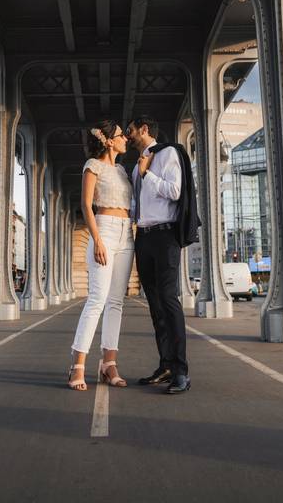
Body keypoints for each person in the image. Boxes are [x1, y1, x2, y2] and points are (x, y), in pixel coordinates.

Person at [127, 115, 196, 395]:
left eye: (130, 130)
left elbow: (175, 191)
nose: (129, 135)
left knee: (168, 300)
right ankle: (165, 364)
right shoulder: (135, 167)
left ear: (144, 129)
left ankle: (181, 371)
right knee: (155, 305)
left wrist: (148, 174)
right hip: (143, 238)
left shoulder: (168, 153)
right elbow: (135, 206)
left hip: (166, 236)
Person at [67, 120, 133, 391]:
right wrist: (96, 240)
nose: (125, 139)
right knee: (97, 299)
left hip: (126, 234)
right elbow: (86, 204)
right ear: (108, 141)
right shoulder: (92, 166)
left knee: (116, 302)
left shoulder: (122, 170)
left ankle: (109, 364)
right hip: (104, 230)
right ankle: (77, 366)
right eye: (120, 135)